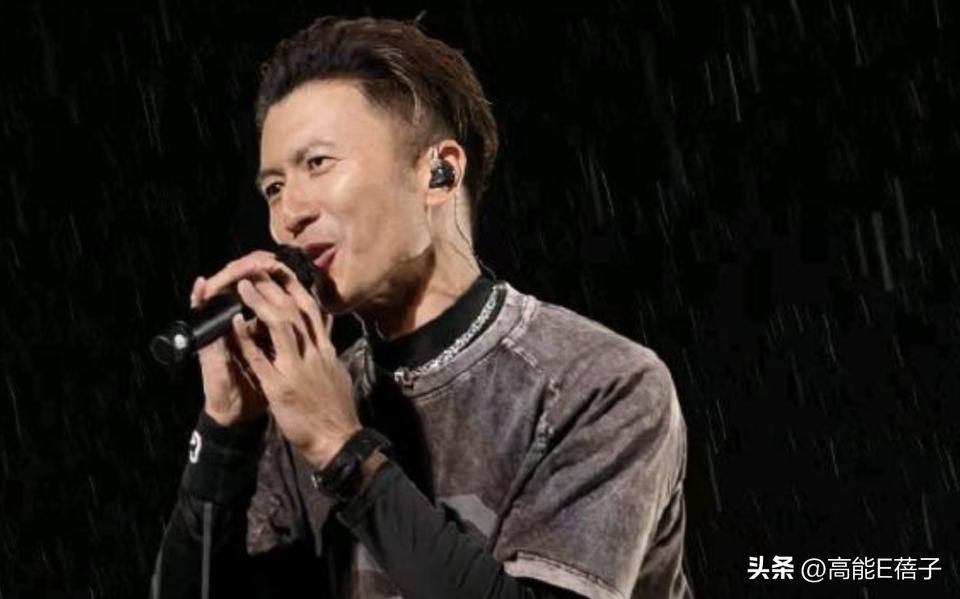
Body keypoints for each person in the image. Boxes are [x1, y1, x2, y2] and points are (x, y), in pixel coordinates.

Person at [150, 15, 693, 599]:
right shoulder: (303, 407)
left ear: (439, 173)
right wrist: (225, 432)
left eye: (318, 164)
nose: (289, 215)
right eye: (274, 187)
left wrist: (342, 452)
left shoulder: (601, 385)